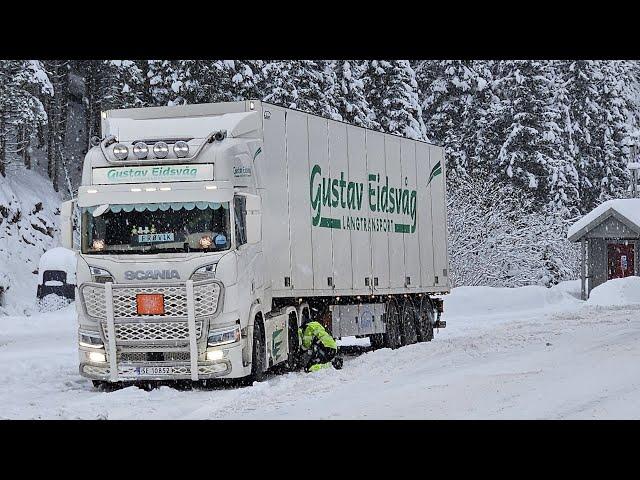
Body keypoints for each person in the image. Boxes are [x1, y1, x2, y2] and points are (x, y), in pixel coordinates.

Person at [298, 307, 343, 372]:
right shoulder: (317, 325)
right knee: (321, 359)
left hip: (326, 348)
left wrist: (301, 350)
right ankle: (333, 361)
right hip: (332, 347)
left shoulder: (308, 328)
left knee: (310, 367)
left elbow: (307, 344)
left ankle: (331, 364)